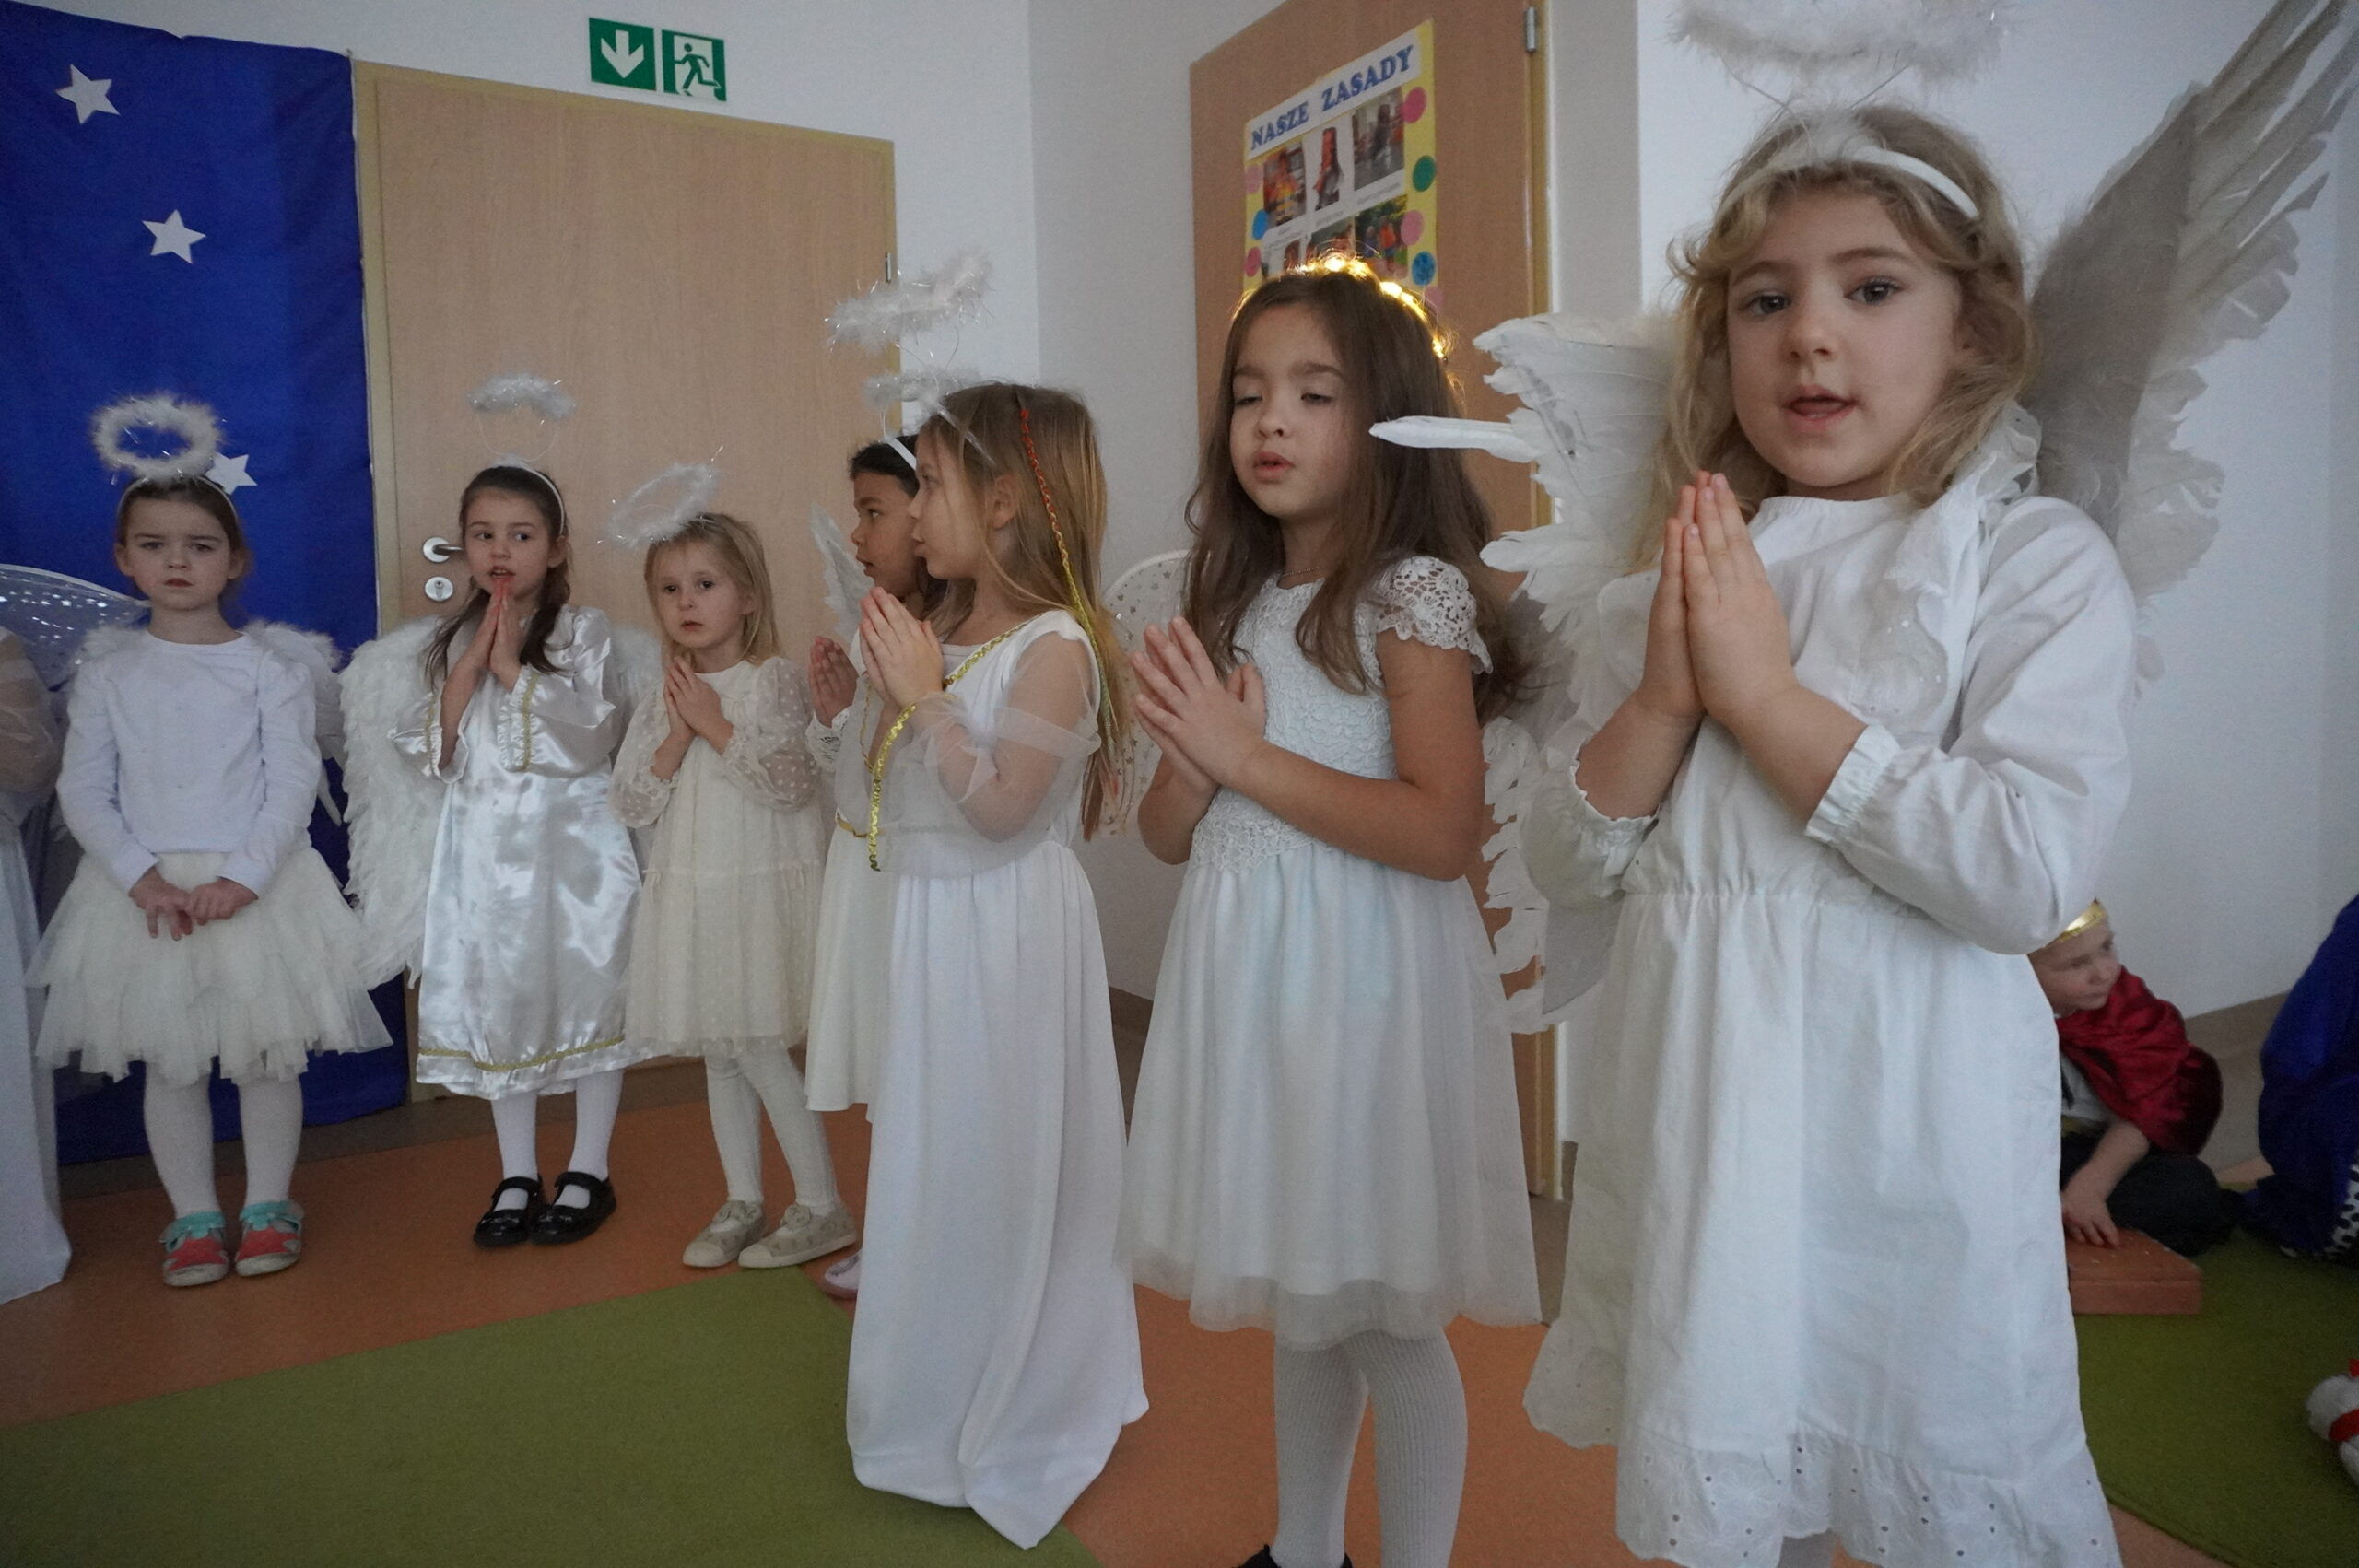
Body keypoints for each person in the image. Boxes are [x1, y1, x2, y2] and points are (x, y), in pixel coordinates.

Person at [1519, 107, 2137, 1566]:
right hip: (1704, 1119)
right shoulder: (1684, 569)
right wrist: (1668, 696)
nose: (1810, 334)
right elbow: (1564, 861)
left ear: (1973, 327)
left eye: (1871, 287)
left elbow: (2023, 873)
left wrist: (1770, 701)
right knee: (1739, 1446)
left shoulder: (2026, 559)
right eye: (1765, 299)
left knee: (1919, 1444)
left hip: (1901, 1126)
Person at [1121, 258, 1540, 1568]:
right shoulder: (1231, 596)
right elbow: (1166, 835)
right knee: (1306, 1293)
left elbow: (1441, 831)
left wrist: (1246, 757)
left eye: (1316, 393)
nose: (1272, 421)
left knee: (1381, 1318)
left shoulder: (1410, 595)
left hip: (1362, 993)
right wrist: (1198, 766)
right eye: (1250, 394)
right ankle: (1304, 1548)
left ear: (1390, 417)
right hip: (1253, 991)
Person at [822, 383, 1143, 1544]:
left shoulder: (1054, 646)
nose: (913, 510)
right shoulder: (945, 632)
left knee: (1001, 1159)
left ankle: (1027, 1383)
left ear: (1004, 501)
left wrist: (922, 697)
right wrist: (882, 694)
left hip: (1004, 934)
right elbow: (886, 788)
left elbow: (1003, 808)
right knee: (937, 1158)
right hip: (932, 924)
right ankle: (933, 1382)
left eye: (935, 484)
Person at [35, 475, 386, 1286]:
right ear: (124, 558)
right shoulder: (110, 675)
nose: (177, 561)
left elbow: (292, 782)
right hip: (145, 896)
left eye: (200, 546)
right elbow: (83, 791)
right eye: (154, 545)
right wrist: (140, 878)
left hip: (255, 888)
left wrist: (243, 877)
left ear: (235, 561)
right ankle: (193, 1217)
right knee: (173, 1062)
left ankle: (268, 1206)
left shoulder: (268, 670)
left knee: (267, 1057)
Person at [343, 464, 655, 1247]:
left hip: (576, 858)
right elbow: (431, 755)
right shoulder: (452, 639)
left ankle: (589, 1167)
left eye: (521, 534)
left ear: (557, 548)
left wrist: (513, 667)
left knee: (592, 993)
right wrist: (469, 669)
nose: (500, 551)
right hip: (482, 860)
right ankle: (517, 1172)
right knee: (501, 1003)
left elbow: (592, 737)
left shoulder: (582, 631)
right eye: (483, 535)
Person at [609, 511, 852, 1270]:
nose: (686, 601)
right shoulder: (666, 691)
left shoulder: (771, 679)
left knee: (760, 1051)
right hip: (696, 895)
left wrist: (712, 724)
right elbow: (631, 802)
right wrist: (679, 733)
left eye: (705, 584)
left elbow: (792, 785)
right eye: (669, 588)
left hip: (756, 898)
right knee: (720, 1054)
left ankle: (822, 1205)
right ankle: (743, 1199)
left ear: (747, 596)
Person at [803, 439, 945, 1299]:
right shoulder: (877, 628)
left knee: (921, 1063)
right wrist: (836, 717)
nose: (858, 536)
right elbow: (862, 770)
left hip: (912, 879)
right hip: (863, 864)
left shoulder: (943, 639)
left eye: (873, 513)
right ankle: (894, 1232)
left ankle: (925, 1241)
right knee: (884, 1064)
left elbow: (941, 771)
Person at [2033, 900, 2235, 1258]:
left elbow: (2145, 1110)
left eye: (2107, 947)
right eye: (2077, 964)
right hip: (2023, 1158)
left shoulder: (2124, 1005)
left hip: (2095, 1151)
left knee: (2189, 1187)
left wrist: (2089, 1188)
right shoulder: (1995, 1022)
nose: (2104, 972)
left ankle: (2063, 1228)